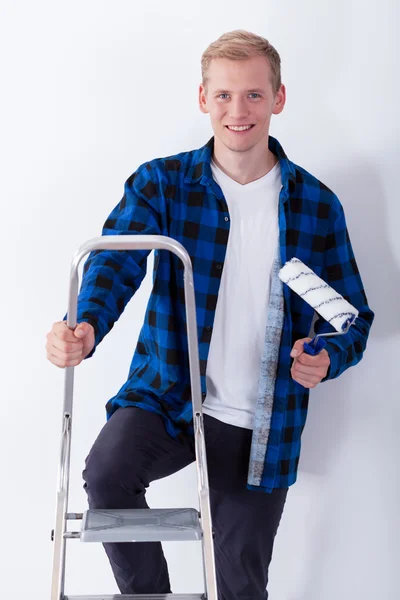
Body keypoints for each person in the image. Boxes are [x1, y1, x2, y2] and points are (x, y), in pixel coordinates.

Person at [45, 30, 374, 600]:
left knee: (240, 586)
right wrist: (84, 327)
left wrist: (326, 357)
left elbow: (350, 318)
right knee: (107, 474)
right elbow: (113, 265)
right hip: (170, 397)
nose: (237, 111)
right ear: (203, 100)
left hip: (262, 424)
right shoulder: (163, 184)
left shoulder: (316, 205)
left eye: (252, 95)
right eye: (223, 96)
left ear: (279, 98)